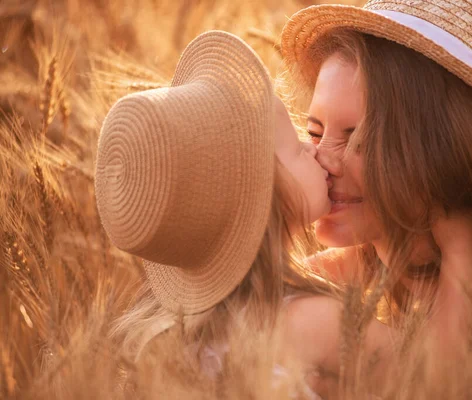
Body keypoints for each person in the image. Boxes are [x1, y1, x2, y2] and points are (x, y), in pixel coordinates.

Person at [280, 0, 472, 352]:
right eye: (314, 132)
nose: (322, 160)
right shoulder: (372, 268)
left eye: (359, 140)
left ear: (445, 155)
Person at [95, 30, 400, 399]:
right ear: (265, 191)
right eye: (296, 143)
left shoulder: (176, 336)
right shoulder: (326, 323)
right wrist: (461, 251)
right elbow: (447, 376)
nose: (314, 149)